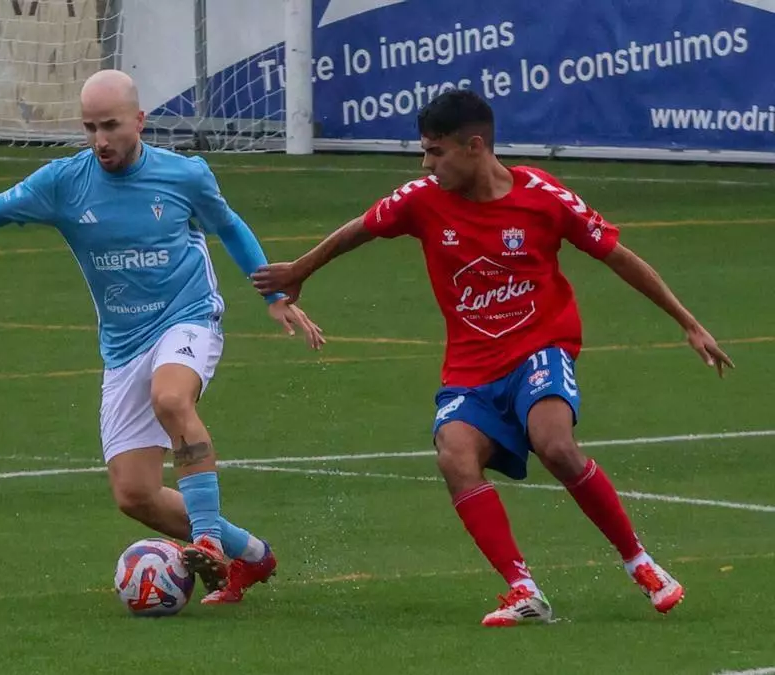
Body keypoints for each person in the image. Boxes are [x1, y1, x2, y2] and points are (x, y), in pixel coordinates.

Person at [252, 90, 733, 626]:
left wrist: (689, 323)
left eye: (436, 152)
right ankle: (523, 590)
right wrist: (301, 269)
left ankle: (640, 563)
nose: (426, 164)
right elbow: (360, 229)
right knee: (454, 456)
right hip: (471, 367)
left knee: (555, 445)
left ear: (474, 146)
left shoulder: (544, 197)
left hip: (540, 347)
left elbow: (618, 256)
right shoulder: (421, 199)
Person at [0, 69, 324, 603]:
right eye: (90, 128)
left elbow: (229, 226)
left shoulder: (185, 175)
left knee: (171, 399)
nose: (100, 140)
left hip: (188, 316)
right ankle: (254, 556)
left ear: (140, 121)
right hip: (124, 344)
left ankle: (209, 542)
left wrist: (274, 295)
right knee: (135, 494)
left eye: (111, 126)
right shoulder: (64, 182)